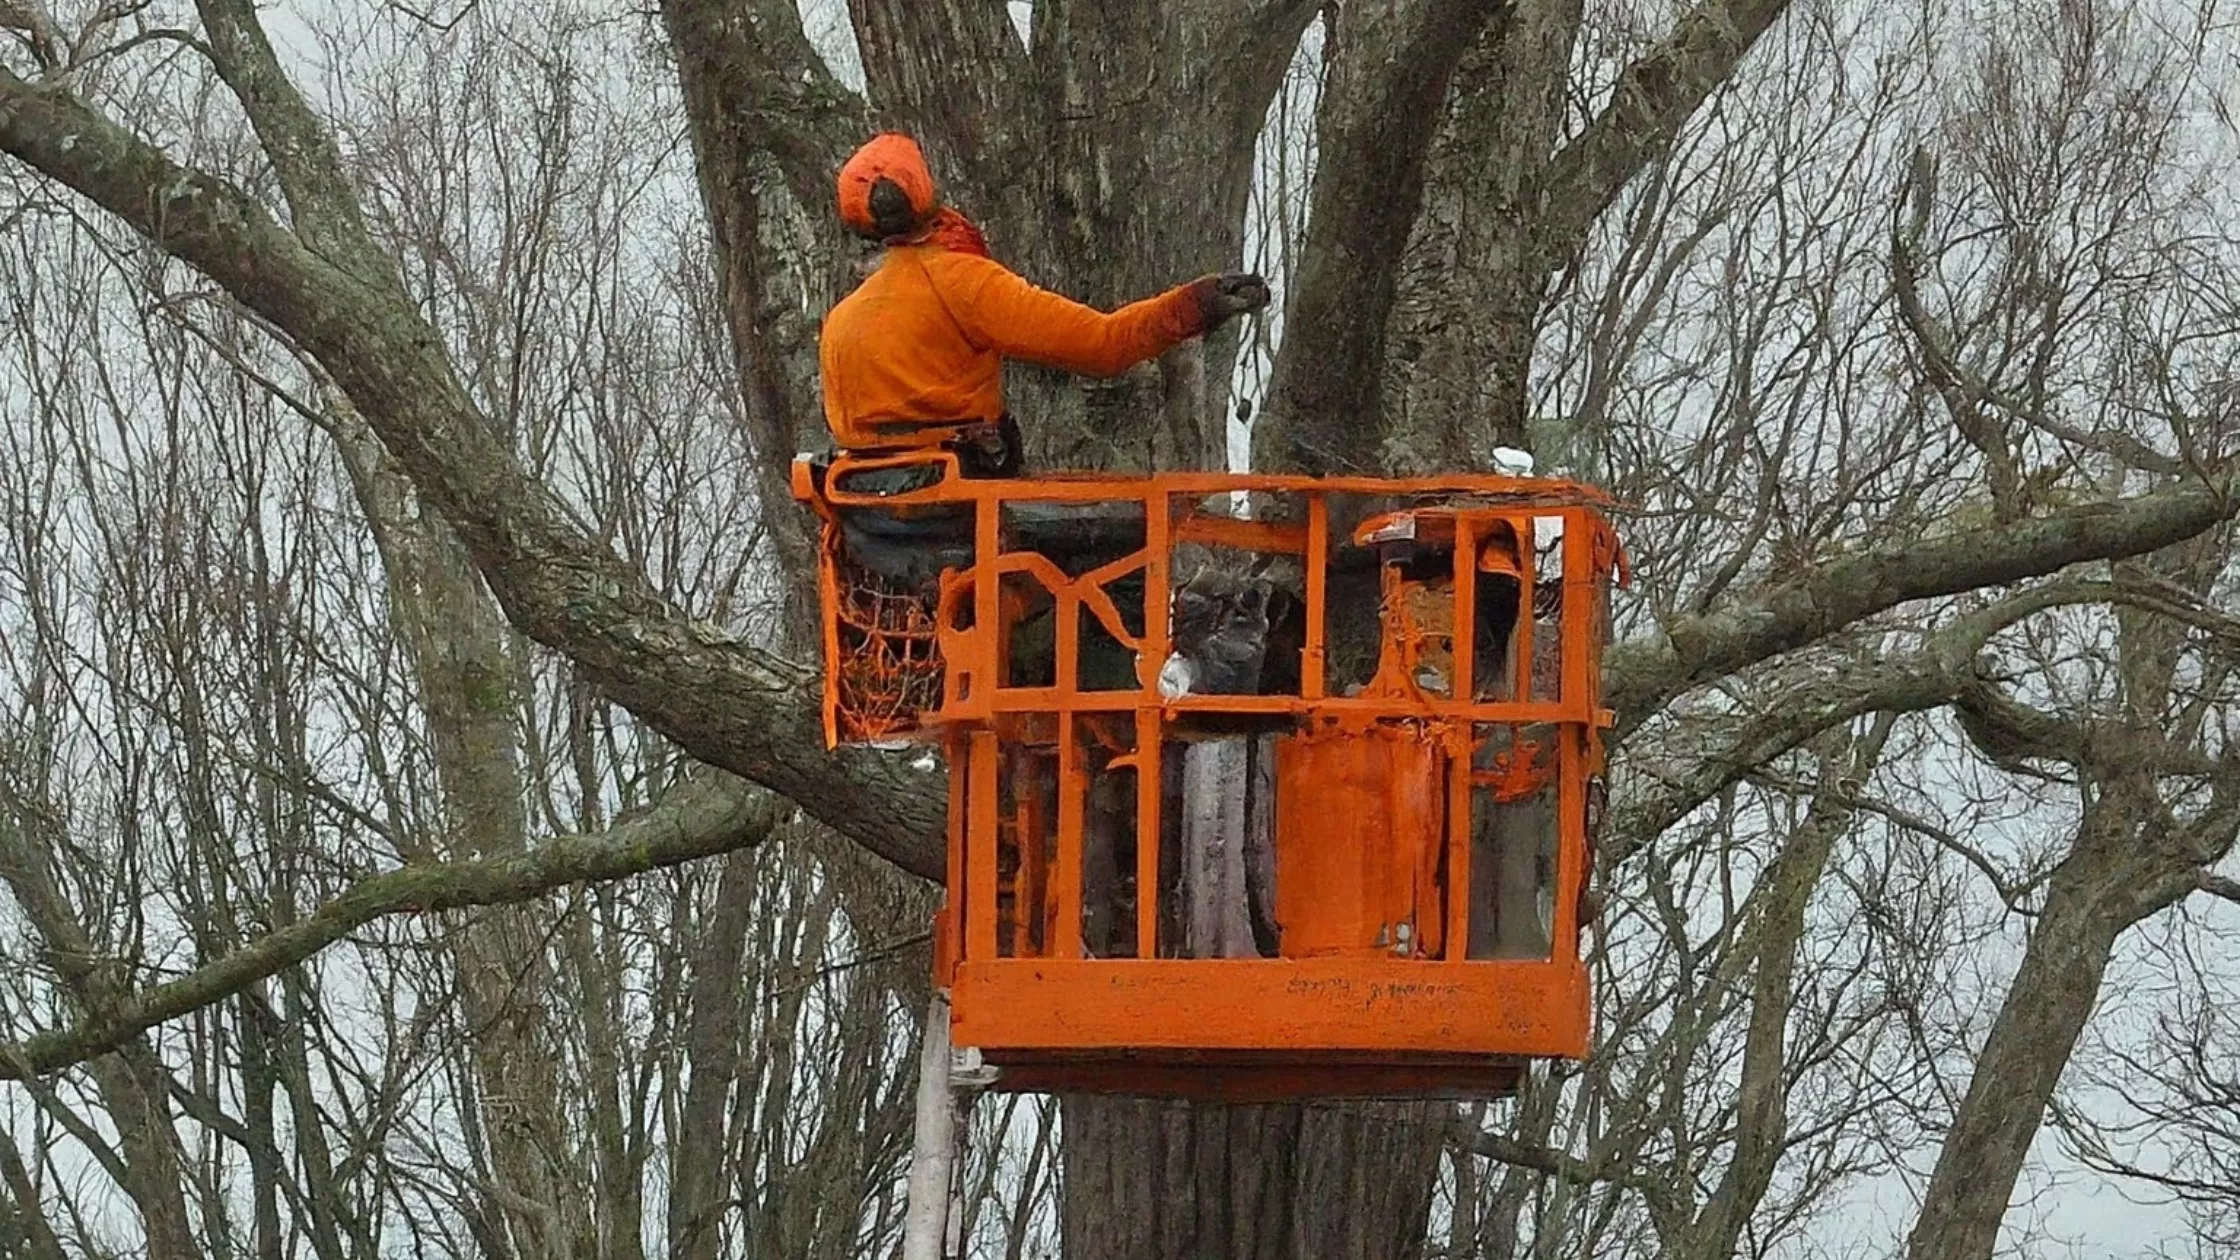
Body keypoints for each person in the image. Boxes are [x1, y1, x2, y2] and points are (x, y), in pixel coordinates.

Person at [818, 133, 1270, 477]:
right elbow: (1103, 345)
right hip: (960, 512)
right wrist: (1195, 305)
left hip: (873, 531)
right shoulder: (959, 283)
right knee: (1117, 556)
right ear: (925, 191)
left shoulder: (840, 322)